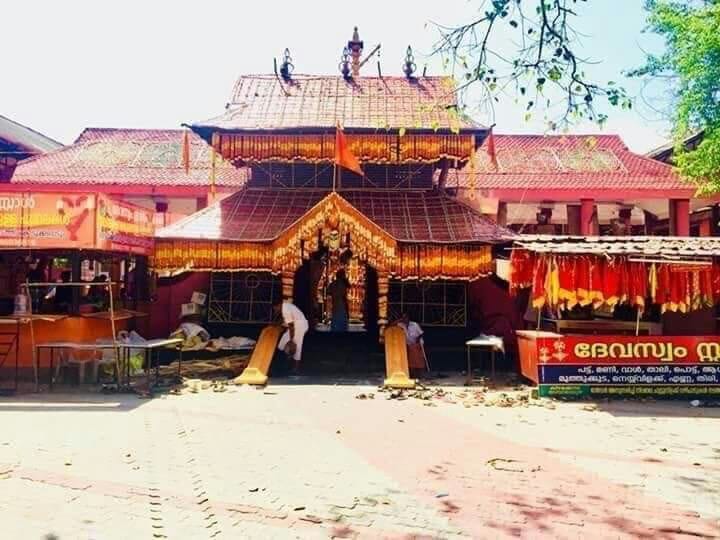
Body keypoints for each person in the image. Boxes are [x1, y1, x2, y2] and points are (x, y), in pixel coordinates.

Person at [274, 298, 309, 375]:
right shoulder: (285, 307)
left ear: (278, 305)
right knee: (281, 343)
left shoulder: (285, 309)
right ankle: (286, 360)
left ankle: (296, 368)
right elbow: (285, 322)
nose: (275, 310)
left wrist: (291, 339)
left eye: (275, 308)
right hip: (296, 324)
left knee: (297, 345)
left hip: (300, 326)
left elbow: (291, 326)